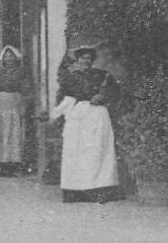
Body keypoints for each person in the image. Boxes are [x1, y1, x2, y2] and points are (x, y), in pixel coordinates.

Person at [52, 45, 125, 203]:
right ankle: (76, 191)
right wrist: (61, 114)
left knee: (97, 150)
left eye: (88, 58)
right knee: (77, 151)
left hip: (97, 115)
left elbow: (115, 92)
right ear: (77, 60)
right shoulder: (70, 78)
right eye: (82, 58)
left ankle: (99, 189)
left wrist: (102, 97)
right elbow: (63, 98)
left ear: (92, 60)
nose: (86, 61)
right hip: (78, 116)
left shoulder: (102, 75)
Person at [0, 45, 31, 176]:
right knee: (1, 132)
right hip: (1, 104)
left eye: (11, 56)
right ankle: (3, 165)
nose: (9, 59)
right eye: (6, 57)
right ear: (3, 59)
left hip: (15, 101)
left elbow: (26, 89)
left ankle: (13, 165)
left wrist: (24, 105)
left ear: (16, 58)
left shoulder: (21, 72)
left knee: (13, 132)